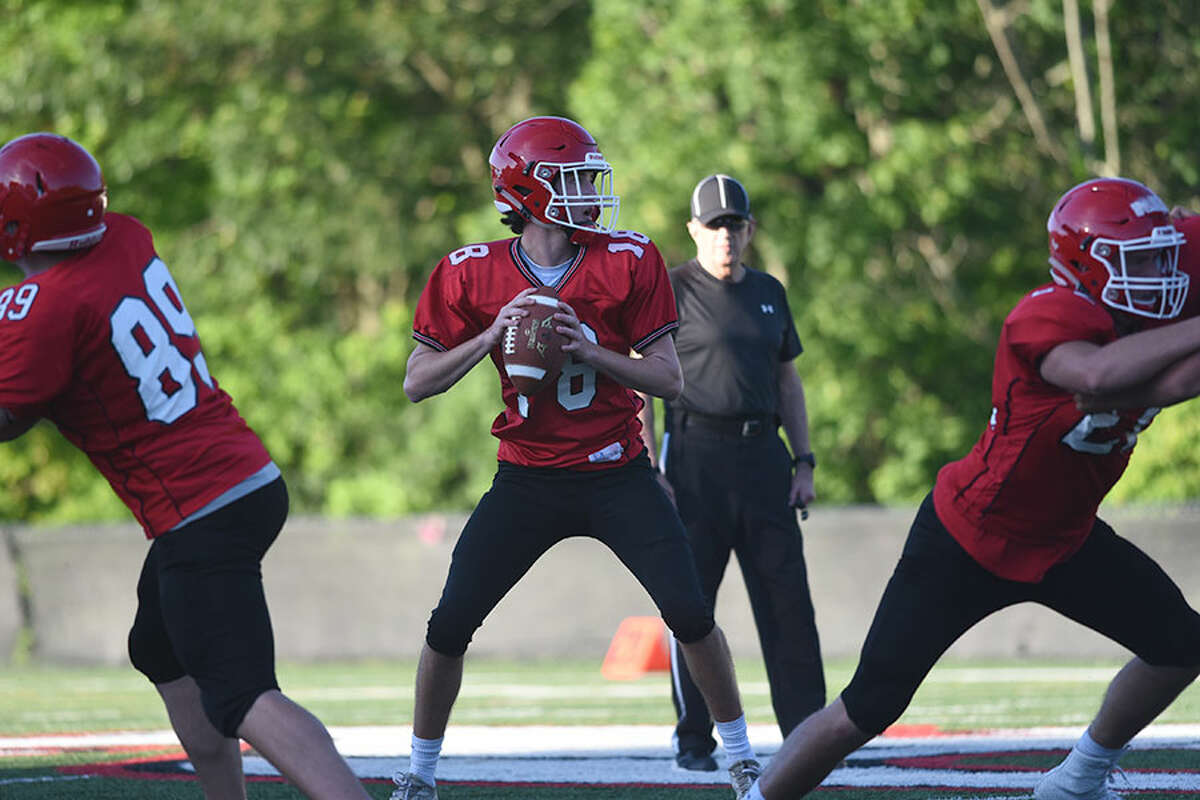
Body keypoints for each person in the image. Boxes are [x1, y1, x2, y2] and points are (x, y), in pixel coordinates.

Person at [746, 176, 1200, 800]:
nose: (1160, 273)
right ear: (1084, 266)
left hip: (1066, 540)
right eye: (1139, 260)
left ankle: (1078, 779)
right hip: (970, 537)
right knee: (866, 708)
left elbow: (1171, 365)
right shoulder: (1044, 316)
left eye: (1162, 257)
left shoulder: (1166, 275)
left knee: (1181, 645)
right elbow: (1101, 375)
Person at [397, 116, 761, 800]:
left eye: (589, 179)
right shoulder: (469, 273)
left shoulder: (628, 258)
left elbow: (669, 379)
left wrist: (590, 349)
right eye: (572, 180)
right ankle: (419, 773)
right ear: (527, 191)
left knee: (688, 611)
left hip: (616, 470)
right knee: (449, 624)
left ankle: (741, 761)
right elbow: (418, 382)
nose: (589, 193)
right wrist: (492, 335)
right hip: (527, 475)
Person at [0, 133, 371, 800]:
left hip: (200, 506)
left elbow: (12, 412)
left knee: (242, 693)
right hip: (241, 480)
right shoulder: (125, 236)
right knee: (162, 649)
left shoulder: (47, 308)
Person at [636, 174, 823, 772]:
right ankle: (695, 740)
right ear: (693, 229)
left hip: (763, 459)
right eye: (714, 224)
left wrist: (804, 460)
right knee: (692, 607)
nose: (725, 235)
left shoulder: (769, 292)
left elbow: (787, 380)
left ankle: (808, 737)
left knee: (788, 603)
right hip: (693, 460)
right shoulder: (668, 290)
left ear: (750, 229)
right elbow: (641, 378)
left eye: (734, 224)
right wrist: (647, 463)